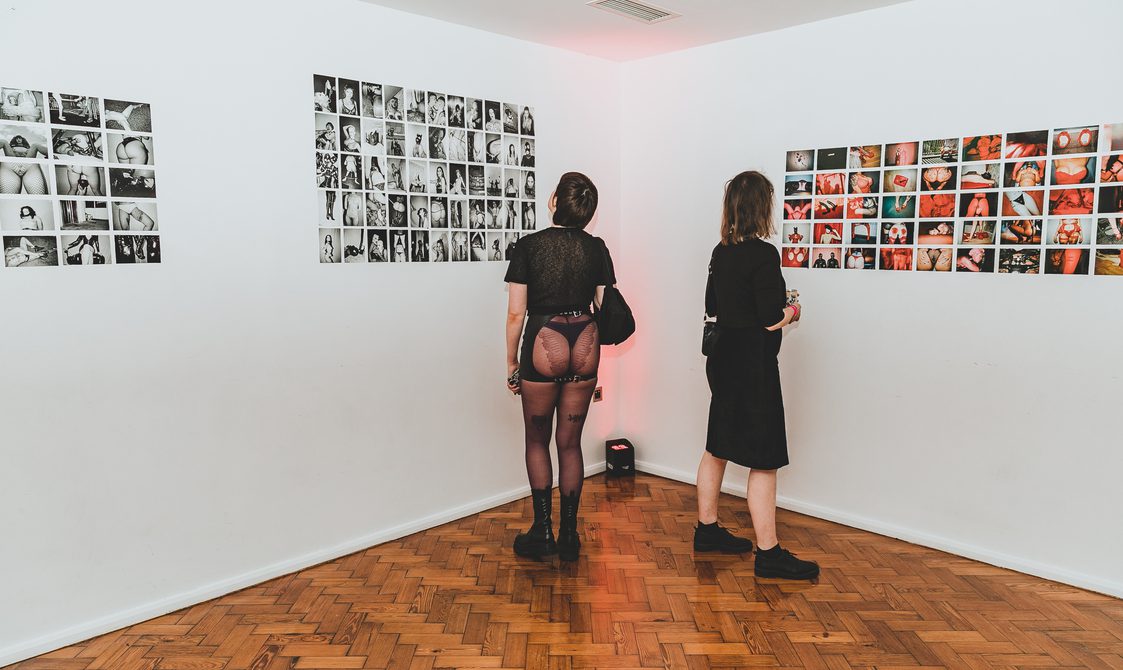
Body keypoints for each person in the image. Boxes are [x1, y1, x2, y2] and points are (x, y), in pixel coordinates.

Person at [694, 171, 817, 580]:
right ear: (762, 208)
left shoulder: (720, 251)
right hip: (752, 363)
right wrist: (793, 310)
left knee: (718, 445)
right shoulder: (764, 255)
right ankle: (769, 553)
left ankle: (707, 530)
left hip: (723, 357)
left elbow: (714, 304)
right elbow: (769, 318)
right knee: (763, 459)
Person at [504, 172, 616, 562]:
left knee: (537, 441)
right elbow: (603, 305)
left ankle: (542, 533)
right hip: (584, 342)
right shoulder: (597, 248)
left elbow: (517, 313)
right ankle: (569, 535)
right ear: (588, 212)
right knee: (569, 443)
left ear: (554, 200)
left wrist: (512, 362)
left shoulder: (529, 246)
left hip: (543, 342)